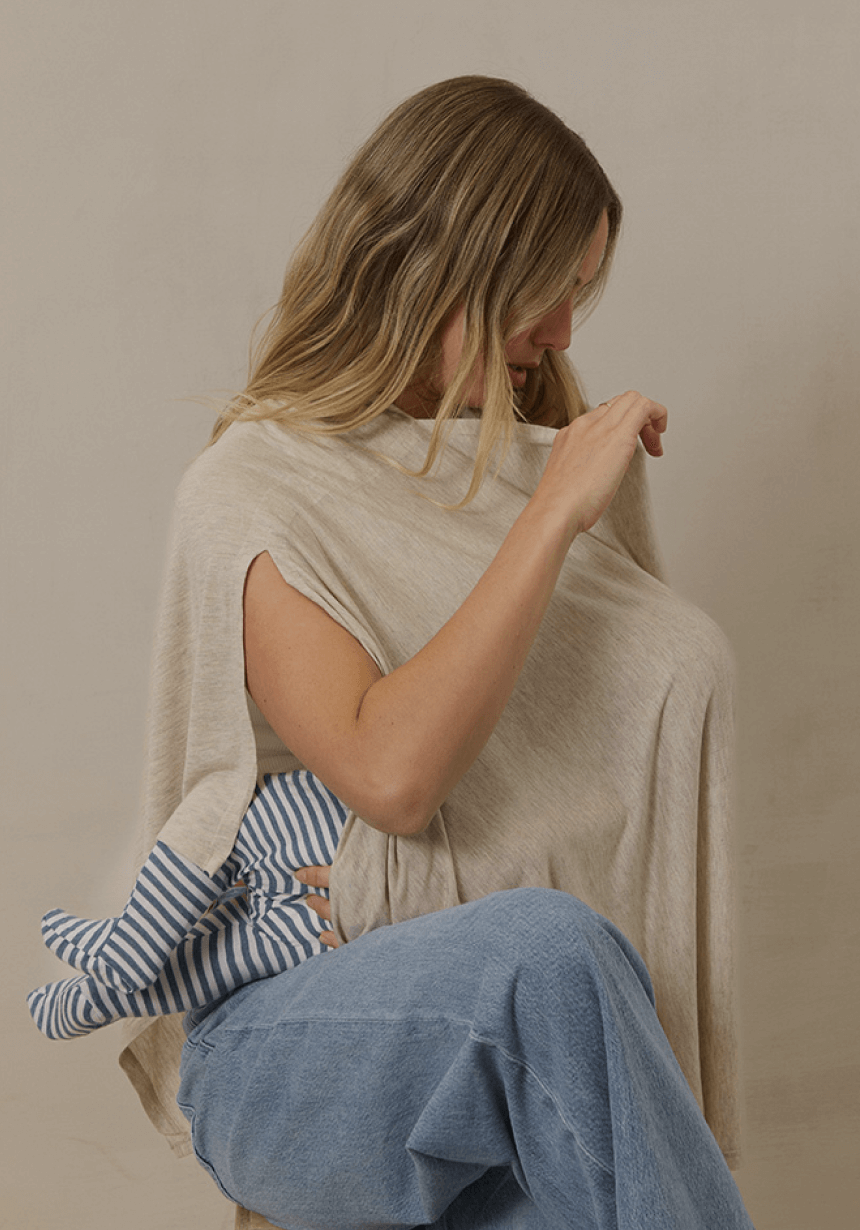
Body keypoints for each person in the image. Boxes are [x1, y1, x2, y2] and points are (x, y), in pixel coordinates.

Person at [39, 75, 756, 1227]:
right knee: (548, 956)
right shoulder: (258, 485)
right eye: (544, 288)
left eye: (581, 292)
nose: (565, 332)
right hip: (291, 1041)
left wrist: (545, 494)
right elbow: (390, 774)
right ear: (444, 265)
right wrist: (546, 517)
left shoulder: (529, 462)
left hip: (525, 1059)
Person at [27, 770, 347, 1040]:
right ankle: (96, 998)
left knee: (227, 801)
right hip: (358, 921)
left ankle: (129, 946)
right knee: (239, 950)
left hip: (350, 840)